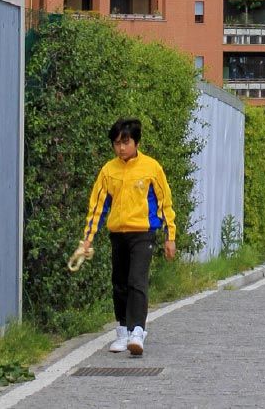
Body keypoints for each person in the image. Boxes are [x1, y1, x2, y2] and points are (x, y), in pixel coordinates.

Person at [80, 117, 176, 357]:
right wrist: (88, 238)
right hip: (118, 234)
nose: (121, 148)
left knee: (137, 280)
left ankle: (137, 331)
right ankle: (122, 329)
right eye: (116, 143)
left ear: (136, 142)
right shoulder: (108, 171)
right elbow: (98, 207)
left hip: (143, 233)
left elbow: (165, 204)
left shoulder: (151, 168)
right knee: (119, 283)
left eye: (125, 142)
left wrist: (169, 236)